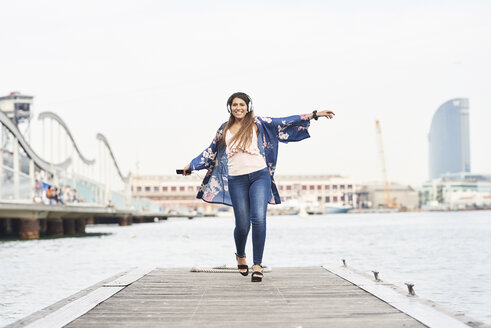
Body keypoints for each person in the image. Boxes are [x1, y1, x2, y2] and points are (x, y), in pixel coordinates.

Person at [182, 92, 335, 282]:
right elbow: (211, 151)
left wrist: (314, 114)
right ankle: (240, 255)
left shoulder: (258, 123)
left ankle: (257, 265)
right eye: (235, 105)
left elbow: (284, 121)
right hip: (236, 180)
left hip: (259, 176)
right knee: (243, 224)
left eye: (242, 105)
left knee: (259, 219)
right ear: (230, 107)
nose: (239, 108)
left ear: (248, 106)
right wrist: (192, 164)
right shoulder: (224, 129)